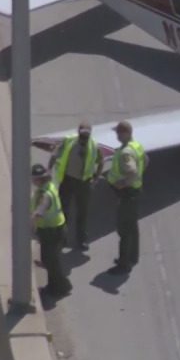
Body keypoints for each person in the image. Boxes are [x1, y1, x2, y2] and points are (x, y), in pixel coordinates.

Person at [49, 121, 102, 250]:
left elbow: (101, 161)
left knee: (82, 213)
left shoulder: (94, 146)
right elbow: (55, 154)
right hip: (67, 180)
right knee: (63, 211)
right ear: (78, 133)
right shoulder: (69, 141)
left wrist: (96, 177)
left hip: (84, 183)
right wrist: (48, 169)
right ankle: (62, 239)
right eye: (82, 136)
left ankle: (81, 240)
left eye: (86, 136)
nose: (84, 139)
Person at [106, 121, 147, 275]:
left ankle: (124, 264)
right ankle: (133, 257)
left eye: (119, 132)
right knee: (132, 227)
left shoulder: (125, 153)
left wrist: (121, 184)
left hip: (127, 195)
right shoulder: (136, 146)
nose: (117, 135)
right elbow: (146, 161)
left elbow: (132, 171)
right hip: (135, 192)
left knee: (124, 230)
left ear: (126, 133)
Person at [30, 164, 72, 298]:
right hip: (56, 229)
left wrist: (31, 228)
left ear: (37, 180)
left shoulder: (45, 195)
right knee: (49, 260)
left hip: (51, 232)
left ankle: (62, 287)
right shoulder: (50, 186)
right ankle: (54, 286)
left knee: (51, 262)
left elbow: (40, 211)